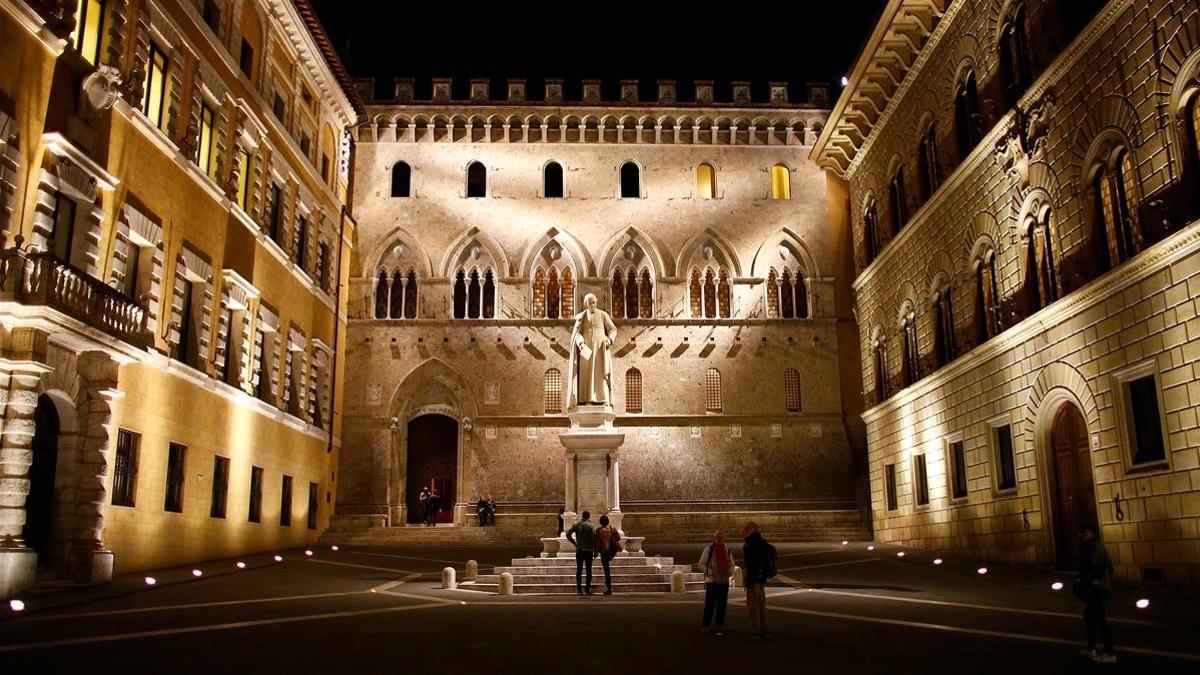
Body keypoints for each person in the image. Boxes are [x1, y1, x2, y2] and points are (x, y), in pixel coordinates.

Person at [1077, 527, 1116, 664]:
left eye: (1083, 532)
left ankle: (1109, 653)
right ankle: (1091, 648)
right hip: (1098, 588)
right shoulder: (1097, 547)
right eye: (1079, 532)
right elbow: (1110, 569)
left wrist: (1084, 581)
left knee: (1099, 621)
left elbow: (1091, 569)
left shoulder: (1092, 548)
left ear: (1092, 533)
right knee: (1089, 618)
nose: (1080, 534)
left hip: (1096, 590)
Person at [698, 532, 735, 635]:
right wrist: (710, 572)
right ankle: (706, 625)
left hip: (724, 582)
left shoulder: (727, 550)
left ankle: (719, 625)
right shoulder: (709, 549)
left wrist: (729, 573)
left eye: (721, 538)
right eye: (717, 538)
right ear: (714, 538)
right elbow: (701, 564)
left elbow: (732, 564)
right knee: (710, 605)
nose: (720, 539)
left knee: (722, 605)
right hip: (712, 582)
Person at [741, 521, 773, 639]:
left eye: (746, 529)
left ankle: (755, 631)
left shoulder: (749, 544)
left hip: (753, 577)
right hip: (761, 577)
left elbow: (749, 563)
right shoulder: (763, 542)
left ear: (751, 530)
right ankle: (764, 630)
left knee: (752, 606)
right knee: (761, 605)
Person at [565, 510, 596, 595]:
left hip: (580, 550)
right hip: (589, 550)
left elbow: (568, 534)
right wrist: (594, 549)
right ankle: (587, 589)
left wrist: (575, 543)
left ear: (582, 516)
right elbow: (594, 539)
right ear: (588, 516)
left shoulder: (577, 525)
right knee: (588, 570)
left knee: (579, 570)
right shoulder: (591, 526)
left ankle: (579, 590)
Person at [594, 515, 622, 595]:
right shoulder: (612, 529)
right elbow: (618, 538)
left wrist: (596, 553)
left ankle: (609, 589)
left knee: (607, 570)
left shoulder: (599, 530)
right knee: (607, 570)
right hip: (611, 552)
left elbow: (597, 543)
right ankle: (609, 588)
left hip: (604, 552)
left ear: (600, 522)